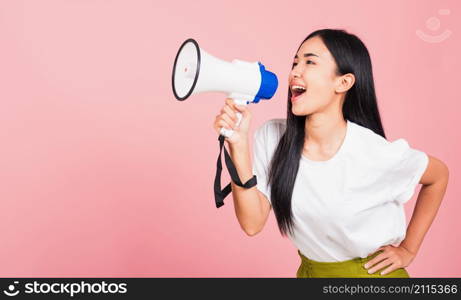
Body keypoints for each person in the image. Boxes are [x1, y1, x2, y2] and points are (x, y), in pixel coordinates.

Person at [212, 29, 449, 278]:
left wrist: (409, 249)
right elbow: (252, 223)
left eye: (310, 62)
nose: (294, 72)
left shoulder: (371, 151)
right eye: (295, 62)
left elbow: (438, 175)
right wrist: (238, 146)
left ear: (343, 82)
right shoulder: (272, 137)